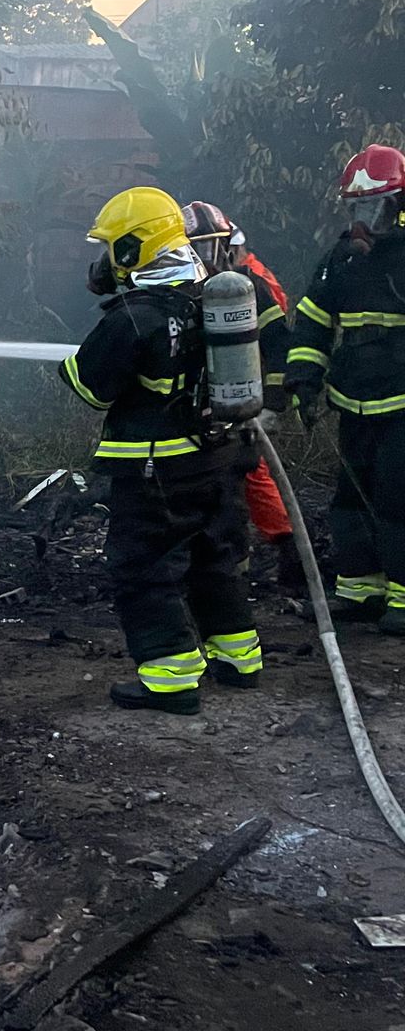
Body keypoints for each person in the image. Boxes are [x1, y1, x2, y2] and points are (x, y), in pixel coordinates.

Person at [61, 187, 262, 715]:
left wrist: (69, 364)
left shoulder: (136, 315)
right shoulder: (210, 299)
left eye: (112, 248)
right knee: (216, 560)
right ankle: (239, 660)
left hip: (157, 470)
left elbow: (91, 387)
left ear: (132, 249)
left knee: (146, 566)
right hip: (218, 460)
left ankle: (171, 678)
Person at [285, 144, 405, 633]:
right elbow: (312, 323)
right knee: (350, 500)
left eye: (375, 207)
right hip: (353, 401)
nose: (365, 220)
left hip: (402, 404)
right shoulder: (339, 261)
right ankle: (359, 591)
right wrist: (303, 381)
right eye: (358, 208)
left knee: (399, 498)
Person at [179, 201, 301, 588]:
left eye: (209, 247)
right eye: (193, 249)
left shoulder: (245, 288)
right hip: (203, 407)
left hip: (245, 400)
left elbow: (280, 345)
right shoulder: (184, 291)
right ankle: (228, 562)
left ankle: (275, 554)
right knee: (217, 482)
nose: (203, 259)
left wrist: (274, 403)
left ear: (226, 246)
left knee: (242, 476)